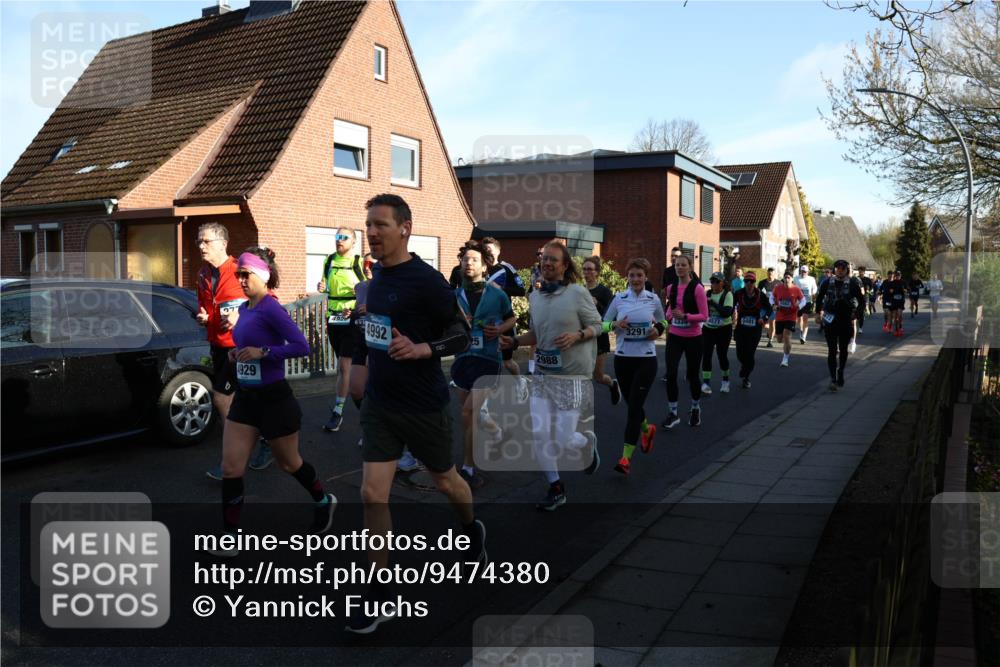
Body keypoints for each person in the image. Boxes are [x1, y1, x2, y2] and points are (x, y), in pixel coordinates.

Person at [349, 194, 484, 634]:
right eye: (368, 224)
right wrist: (364, 357)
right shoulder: (373, 279)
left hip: (424, 405)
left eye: (380, 225)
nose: (371, 232)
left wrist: (425, 348)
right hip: (381, 404)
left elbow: (462, 335)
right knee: (372, 494)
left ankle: (470, 529)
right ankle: (380, 593)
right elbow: (376, 330)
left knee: (446, 481)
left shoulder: (426, 280)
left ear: (404, 228)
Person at [211, 247, 336, 558]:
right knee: (230, 468)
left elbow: (301, 346)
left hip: (274, 400)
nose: (240, 279)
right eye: (238, 274)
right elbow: (246, 345)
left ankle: (323, 500)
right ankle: (230, 538)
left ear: (262, 277)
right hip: (246, 399)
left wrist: (263, 353)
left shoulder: (271, 308)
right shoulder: (247, 308)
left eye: (246, 274)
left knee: (288, 463)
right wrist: (236, 354)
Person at [500, 240, 602, 511]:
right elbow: (537, 334)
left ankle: (584, 443)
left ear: (565, 265)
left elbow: (598, 325)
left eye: (553, 260)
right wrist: (513, 342)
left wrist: (578, 335)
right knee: (540, 435)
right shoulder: (536, 296)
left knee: (563, 439)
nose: (546, 263)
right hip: (543, 375)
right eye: (544, 259)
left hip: (571, 377)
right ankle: (556, 488)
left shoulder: (578, 293)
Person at [196, 223, 272, 479]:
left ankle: (233, 459)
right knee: (248, 401)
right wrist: (204, 316)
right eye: (199, 241)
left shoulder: (241, 268)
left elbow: (266, 301)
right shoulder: (203, 274)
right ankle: (266, 440)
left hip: (241, 347)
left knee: (222, 398)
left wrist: (242, 317)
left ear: (223, 243)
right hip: (218, 346)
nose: (201, 246)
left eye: (206, 241)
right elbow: (206, 306)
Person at [451, 240, 516, 488]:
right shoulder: (454, 297)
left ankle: (468, 467)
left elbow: (511, 319)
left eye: (474, 259)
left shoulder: (496, 294)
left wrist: (499, 329)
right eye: (465, 259)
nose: (468, 263)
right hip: (463, 361)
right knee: (471, 417)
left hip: (489, 360)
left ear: (484, 266)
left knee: (469, 412)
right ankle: (499, 433)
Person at [602, 258, 664, 475]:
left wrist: (659, 330)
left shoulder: (653, 299)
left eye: (639, 275)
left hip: (646, 360)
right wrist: (615, 324)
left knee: (634, 408)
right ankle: (647, 429)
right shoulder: (619, 298)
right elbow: (602, 324)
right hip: (622, 359)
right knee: (633, 406)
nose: (636, 279)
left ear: (645, 277)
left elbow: (663, 321)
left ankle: (625, 458)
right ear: (626, 277)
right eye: (632, 275)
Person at [317, 228, 366, 433]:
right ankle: (353, 408)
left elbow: (367, 288)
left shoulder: (358, 262)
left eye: (344, 237)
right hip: (333, 319)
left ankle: (339, 412)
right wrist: (322, 287)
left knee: (346, 367)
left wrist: (356, 308)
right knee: (343, 368)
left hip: (352, 319)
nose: (339, 240)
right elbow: (326, 286)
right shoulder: (328, 260)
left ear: (353, 242)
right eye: (337, 237)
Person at [660, 255, 708, 428]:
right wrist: (670, 316)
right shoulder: (671, 288)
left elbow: (704, 315)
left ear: (690, 267)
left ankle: (695, 408)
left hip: (694, 337)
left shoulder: (698, 289)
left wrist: (686, 316)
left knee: (693, 376)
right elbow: (669, 312)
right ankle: (673, 413)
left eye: (683, 265)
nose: (679, 267)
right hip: (675, 336)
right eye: (676, 265)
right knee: (671, 373)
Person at [815, 259, 864, 391]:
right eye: (837, 268)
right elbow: (819, 298)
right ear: (834, 269)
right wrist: (818, 313)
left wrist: (857, 314)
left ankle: (841, 370)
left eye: (842, 268)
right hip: (830, 319)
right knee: (831, 350)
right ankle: (833, 379)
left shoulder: (852, 283)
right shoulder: (827, 282)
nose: (840, 270)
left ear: (846, 270)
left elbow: (861, 301)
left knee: (843, 349)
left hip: (845, 320)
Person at [482, 237, 527, 378]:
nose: (487, 252)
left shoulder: (506, 268)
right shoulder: (480, 267)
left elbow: (521, 290)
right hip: (483, 319)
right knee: (485, 360)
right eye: (485, 250)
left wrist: (500, 289)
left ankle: (520, 382)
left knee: (507, 361)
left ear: (498, 251)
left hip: (503, 319)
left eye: (490, 249)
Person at [582, 256, 620, 405]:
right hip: (583, 336)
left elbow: (612, 315)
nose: (587, 272)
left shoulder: (604, 291)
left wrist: (597, 303)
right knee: (582, 374)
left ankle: (612, 384)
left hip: (599, 337)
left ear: (597, 272)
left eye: (590, 269)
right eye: (584, 269)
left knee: (598, 376)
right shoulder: (578, 291)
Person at [732, 272, 773, 388]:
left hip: (755, 328)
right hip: (741, 328)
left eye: (751, 281)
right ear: (744, 282)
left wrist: (763, 318)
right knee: (740, 353)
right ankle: (744, 367)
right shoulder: (738, 293)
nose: (749, 284)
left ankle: (746, 377)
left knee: (750, 354)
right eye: (746, 281)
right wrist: (730, 315)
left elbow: (769, 309)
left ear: (755, 283)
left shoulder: (760, 295)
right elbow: (731, 305)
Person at [700, 272, 734, 395]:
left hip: (723, 329)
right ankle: (706, 383)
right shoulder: (708, 294)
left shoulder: (727, 294)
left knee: (722, 355)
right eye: (712, 281)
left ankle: (725, 381)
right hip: (708, 328)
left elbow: (726, 312)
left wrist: (712, 303)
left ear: (722, 283)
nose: (714, 284)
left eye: (717, 281)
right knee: (707, 354)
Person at [769, 271, 806, 367]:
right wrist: (773, 305)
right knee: (779, 339)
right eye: (785, 277)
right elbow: (771, 297)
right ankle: (786, 343)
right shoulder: (778, 288)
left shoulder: (796, 289)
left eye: (789, 277)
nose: (787, 279)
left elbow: (803, 300)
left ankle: (785, 359)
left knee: (787, 335)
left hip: (791, 316)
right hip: (780, 316)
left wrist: (799, 306)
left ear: (792, 279)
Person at [793, 265, 818, 344]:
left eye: (805, 271)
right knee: (799, 319)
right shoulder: (796, 278)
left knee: (805, 318)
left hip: (808, 301)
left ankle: (804, 336)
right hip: (799, 302)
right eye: (802, 271)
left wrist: (813, 293)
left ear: (808, 272)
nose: (803, 273)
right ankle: (801, 331)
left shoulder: (811, 279)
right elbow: (793, 287)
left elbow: (815, 288)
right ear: (800, 271)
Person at [757, 267, 777, 347]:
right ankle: (770, 331)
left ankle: (770, 341)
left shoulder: (778, 283)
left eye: (771, 274)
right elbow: (758, 294)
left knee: (772, 323)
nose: (770, 276)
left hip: (773, 307)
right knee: (763, 323)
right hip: (763, 306)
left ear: (774, 274)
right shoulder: (762, 283)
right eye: (769, 274)